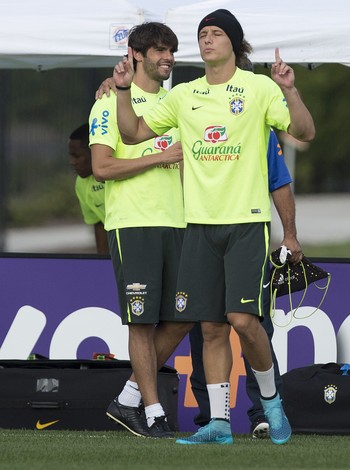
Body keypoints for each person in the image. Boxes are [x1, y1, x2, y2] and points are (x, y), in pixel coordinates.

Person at [111, 8, 315, 445]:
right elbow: (131, 135)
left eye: (216, 33)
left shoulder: (259, 88)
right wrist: (124, 90)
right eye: (202, 33)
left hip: (245, 223)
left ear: (234, 43)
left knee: (243, 320)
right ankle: (219, 425)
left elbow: (304, 130)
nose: (206, 40)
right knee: (210, 328)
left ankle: (272, 403)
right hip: (199, 228)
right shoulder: (184, 95)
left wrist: (290, 91)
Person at [89, 22, 191, 439]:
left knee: (187, 315)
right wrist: (157, 157)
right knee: (141, 324)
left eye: (171, 50)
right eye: (159, 50)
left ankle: (128, 398)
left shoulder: (177, 103)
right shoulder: (107, 102)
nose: (167, 57)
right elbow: (102, 167)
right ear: (136, 54)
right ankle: (152, 413)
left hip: (179, 224)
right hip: (134, 224)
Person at [189, 129, 299, 439]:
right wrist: (118, 90)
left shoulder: (256, 119)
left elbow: (280, 177)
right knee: (206, 329)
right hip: (200, 235)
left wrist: (290, 233)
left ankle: (266, 409)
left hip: (247, 235)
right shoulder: (191, 109)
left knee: (250, 326)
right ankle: (214, 420)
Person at [68, 123, 107, 254]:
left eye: (77, 156)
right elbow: (99, 224)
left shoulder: (122, 173)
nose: (72, 162)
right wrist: (103, 264)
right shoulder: (81, 184)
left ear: (94, 152)